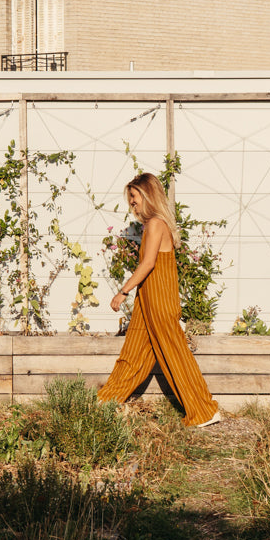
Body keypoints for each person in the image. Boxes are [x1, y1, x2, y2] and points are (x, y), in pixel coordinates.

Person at [96, 173, 223, 428]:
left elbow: (148, 264)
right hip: (148, 302)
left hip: (160, 301)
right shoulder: (152, 225)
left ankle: (205, 410)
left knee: (176, 358)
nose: (131, 203)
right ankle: (105, 403)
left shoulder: (155, 224)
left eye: (134, 197)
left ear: (147, 195)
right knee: (132, 355)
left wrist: (123, 291)